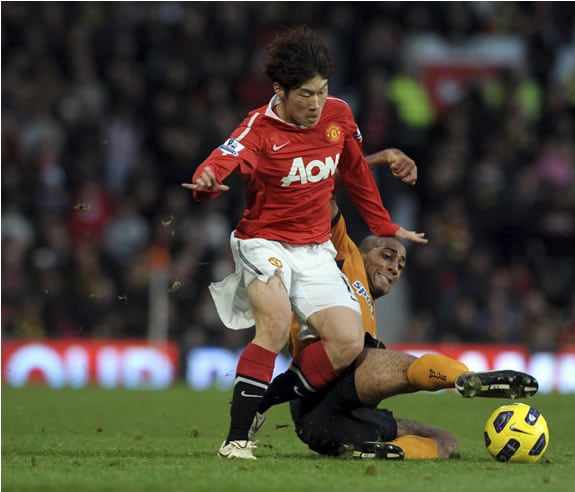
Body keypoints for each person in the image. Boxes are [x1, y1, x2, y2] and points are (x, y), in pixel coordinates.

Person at [181, 26, 427, 460]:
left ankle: (263, 402)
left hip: (315, 249)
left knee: (348, 341)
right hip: (264, 242)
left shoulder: (339, 115)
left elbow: (353, 174)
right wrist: (207, 181)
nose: (316, 104)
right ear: (280, 89)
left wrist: (386, 225)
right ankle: (236, 441)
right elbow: (224, 157)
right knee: (274, 325)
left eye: (322, 91)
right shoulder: (259, 127)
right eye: (305, 95)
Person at [251, 149, 539, 460]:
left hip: (334, 427)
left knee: (445, 441)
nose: (394, 267)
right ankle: (462, 378)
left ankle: (382, 452)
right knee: (373, 355)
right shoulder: (343, 257)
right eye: (387, 255)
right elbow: (324, 191)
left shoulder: (366, 310)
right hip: (321, 389)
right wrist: (376, 160)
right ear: (361, 253)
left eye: (401, 264)